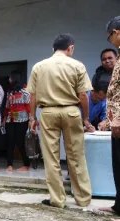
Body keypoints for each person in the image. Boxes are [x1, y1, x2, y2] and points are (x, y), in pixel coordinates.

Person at [27, 33, 92, 208]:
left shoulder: (39, 66)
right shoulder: (77, 65)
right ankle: (83, 199)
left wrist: (32, 118)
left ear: (53, 48)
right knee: (76, 155)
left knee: (51, 158)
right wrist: (86, 119)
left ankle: (57, 199)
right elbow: (83, 96)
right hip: (71, 111)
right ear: (70, 48)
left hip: (47, 112)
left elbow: (32, 96)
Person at [99, 16, 120, 221]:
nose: (110, 41)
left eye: (109, 37)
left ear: (116, 32)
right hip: (116, 122)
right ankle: (118, 205)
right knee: (117, 164)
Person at [3, 71, 31, 172]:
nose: (9, 80)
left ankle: (27, 164)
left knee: (21, 142)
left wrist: (32, 120)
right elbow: (6, 107)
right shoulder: (10, 92)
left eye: (10, 78)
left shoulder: (25, 91)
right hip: (10, 121)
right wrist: (4, 119)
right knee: (9, 142)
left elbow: (29, 107)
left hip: (22, 121)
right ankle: (9, 164)